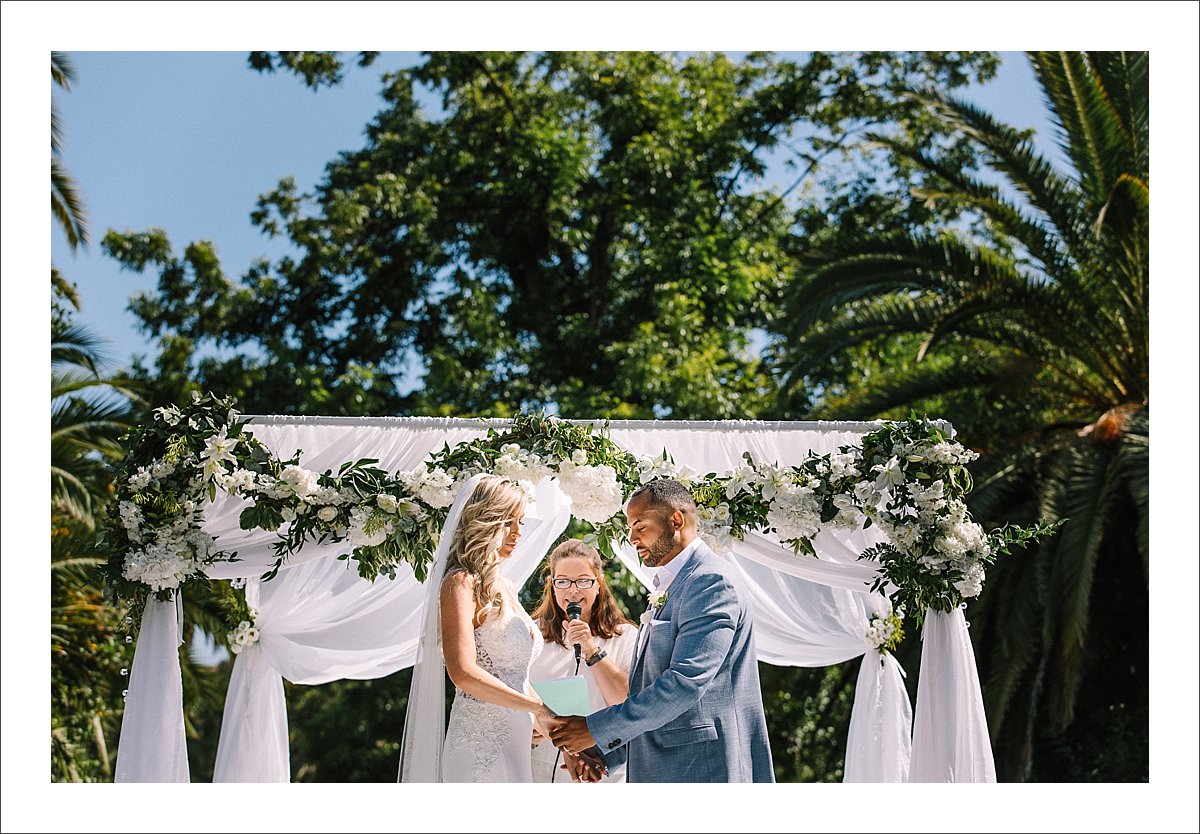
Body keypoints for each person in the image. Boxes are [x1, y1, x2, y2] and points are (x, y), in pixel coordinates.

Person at [546, 478, 775, 783]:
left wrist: (594, 729)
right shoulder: (673, 583)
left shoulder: (710, 581)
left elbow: (684, 684)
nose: (632, 538)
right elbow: (648, 690)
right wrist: (605, 753)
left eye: (640, 526)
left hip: (703, 769)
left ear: (676, 520)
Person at [399, 474, 554, 782]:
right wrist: (535, 706)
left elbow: (513, 675)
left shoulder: (506, 588)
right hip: (479, 746)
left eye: (520, 522)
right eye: (508, 522)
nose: (517, 532)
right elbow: (463, 672)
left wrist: (544, 719)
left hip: (517, 741)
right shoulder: (459, 583)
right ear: (484, 521)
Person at [527, 539, 639, 782]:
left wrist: (591, 650)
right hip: (542, 770)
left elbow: (628, 703)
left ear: (598, 583)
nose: (573, 591)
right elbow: (515, 699)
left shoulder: (626, 636)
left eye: (583, 581)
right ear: (552, 585)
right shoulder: (532, 635)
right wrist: (532, 727)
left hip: (603, 771)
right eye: (563, 582)